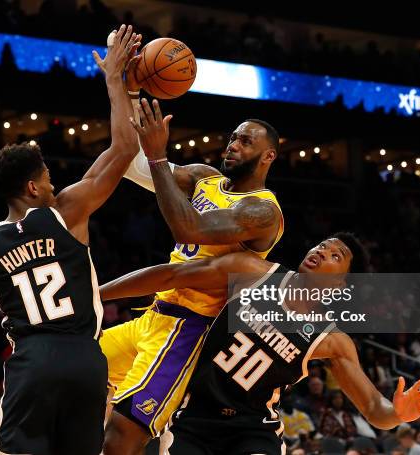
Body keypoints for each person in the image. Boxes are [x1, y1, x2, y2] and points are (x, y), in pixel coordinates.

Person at [0, 25, 142, 455]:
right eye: (48, 178)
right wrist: (114, 79)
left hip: (33, 362)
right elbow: (125, 147)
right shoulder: (68, 211)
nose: (54, 183)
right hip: (87, 361)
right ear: (33, 188)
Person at [100, 234, 420, 455]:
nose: (321, 251)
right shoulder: (252, 272)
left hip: (253, 429)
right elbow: (171, 275)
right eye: (322, 245)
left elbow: (374, 408)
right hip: (194, 416)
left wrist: (400, 414)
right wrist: (96, 295)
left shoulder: (331, 341)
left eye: (335, 255)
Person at [101, 96, 284, 452]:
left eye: (246, 141)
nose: (233, 145)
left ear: (268, 156)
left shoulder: (263, 211)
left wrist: (158, 156)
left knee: (122, 436)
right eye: (233, 137)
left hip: (189, 331)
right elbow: (130, 162)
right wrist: (126, 91)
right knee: (72, 364)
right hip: (153, 316)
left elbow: (190, 229)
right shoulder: (203, 178)